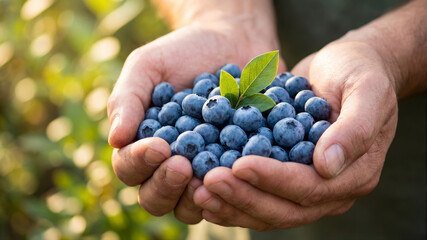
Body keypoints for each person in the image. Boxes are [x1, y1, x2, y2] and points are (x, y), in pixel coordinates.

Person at [107, 0, 426, 237]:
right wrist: (222, 16)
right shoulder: (203, 122)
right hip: (222, 206)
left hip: (407, 196)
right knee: (216, 183)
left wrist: (393, 54)